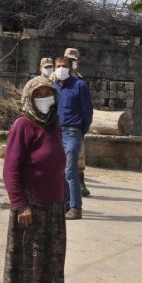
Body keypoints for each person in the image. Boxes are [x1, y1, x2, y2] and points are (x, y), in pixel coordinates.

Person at [2, 76, 68, 283]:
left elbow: (58, 163)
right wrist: (20, 204)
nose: (44, 99)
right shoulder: (23, 125)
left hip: (54, 204)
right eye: (38, 94)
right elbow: (11, 168)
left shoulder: (54, 124)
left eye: (47, 94)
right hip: (31, 205)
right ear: (29, 98)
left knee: (51, 254)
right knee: (27, 257)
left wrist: (65, 196)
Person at [55, 57, 93, 220]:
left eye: (64, 66)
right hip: (56, 133)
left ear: (71, 68)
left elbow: (87, 113)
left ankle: (76, 208)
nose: (60, 69)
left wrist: (80, 131)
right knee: (59, 172)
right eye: (58, 66)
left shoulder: (79, 86)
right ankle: (65, 204)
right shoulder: (54, 87)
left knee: (70, 172)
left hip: (72, 133)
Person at [63, 48, 90, 197]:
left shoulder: (80, 79)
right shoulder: (56, 77)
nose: (72, 62)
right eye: (69, 59)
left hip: (76, 124)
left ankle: (80, 182)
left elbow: (87, 107)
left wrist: (83, 127)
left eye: (74, 60)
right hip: (60, 123)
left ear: (77, 61)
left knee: (79, 155)